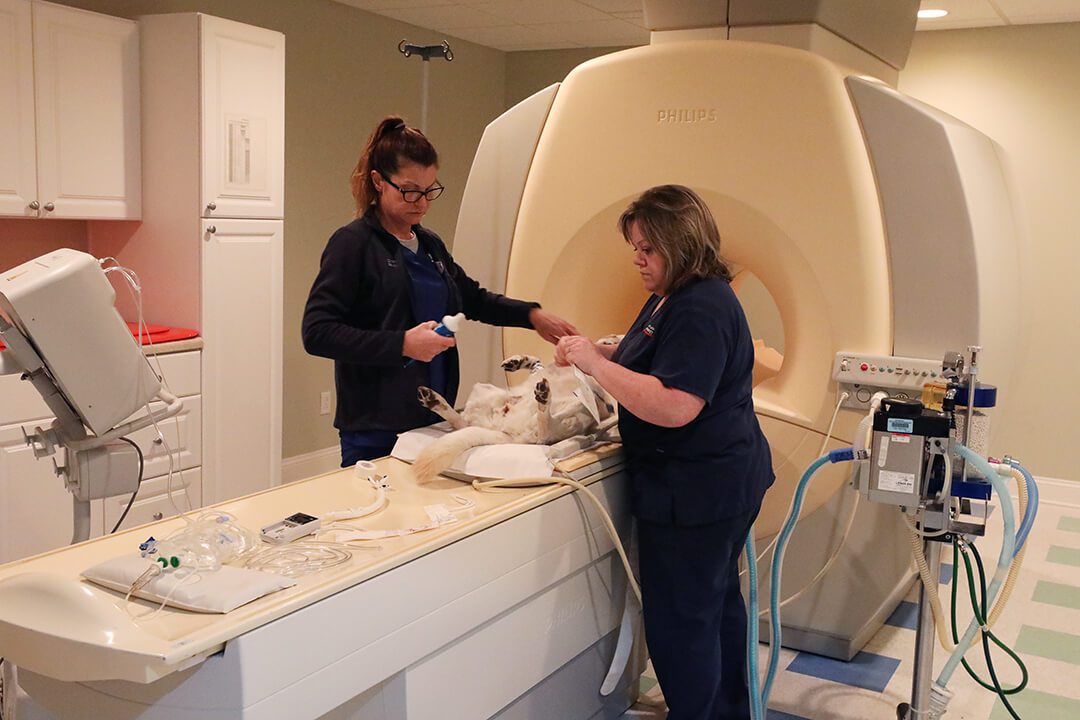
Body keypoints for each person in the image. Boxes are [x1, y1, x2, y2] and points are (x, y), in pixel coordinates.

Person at [556, 185, 774, 719]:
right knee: (715, 608)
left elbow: (676, 405)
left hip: (697, 494)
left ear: (679, 245)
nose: (636, 258)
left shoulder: (701, 305)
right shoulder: (671, 296)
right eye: (635, 246)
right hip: (716, 484)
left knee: (682, 624)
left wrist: (595, 366)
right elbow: (651, 356)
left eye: (647, 249)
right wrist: (602, 351)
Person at [303, 116, 576, 466]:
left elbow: (471, 299)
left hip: (431, 416)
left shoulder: (429, 244)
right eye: (410, 190)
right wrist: (402, 344)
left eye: (430, 190)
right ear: (378, 181)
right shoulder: (353, 244)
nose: (422, 202)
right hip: (376, 425)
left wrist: (531, 315)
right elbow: (317, 332)